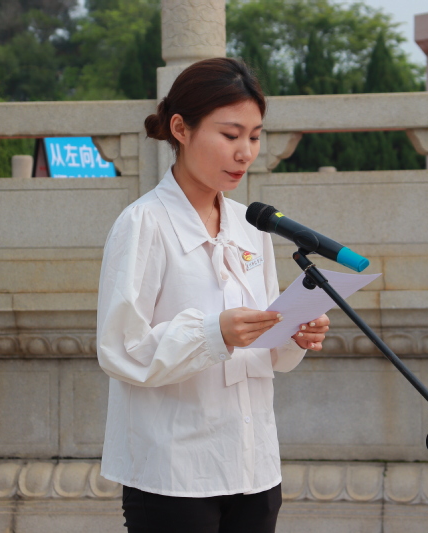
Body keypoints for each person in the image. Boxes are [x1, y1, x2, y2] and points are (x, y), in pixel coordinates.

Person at [96, 57, 330, 533]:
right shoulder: (143, 223)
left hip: (253, 466)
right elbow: (120, 348)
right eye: (230, 135)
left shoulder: (251, 224)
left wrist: (293, 332)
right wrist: (213, 333)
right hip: (174, 473)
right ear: (180, 129)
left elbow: (268, 348)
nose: (245, 152)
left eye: (255, 136)